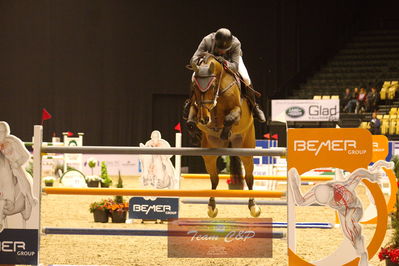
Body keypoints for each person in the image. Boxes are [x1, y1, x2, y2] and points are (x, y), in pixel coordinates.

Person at [288, 160, 393, 266]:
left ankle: (363, 254)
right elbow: (301, 202)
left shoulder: (345, 185)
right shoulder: (317, 193)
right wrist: (294, 183)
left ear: (331, 190)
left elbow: (359, 173)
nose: (331, 200)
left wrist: (371, 176)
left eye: (331, 197)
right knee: (351, 236)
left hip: (355, 208)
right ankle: (362, 254)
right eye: (328, 201)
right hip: (343, 212)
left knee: (349, 220)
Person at [183, 28, 266, 123]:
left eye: (225, 50)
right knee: (194, 76)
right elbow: (194, 58)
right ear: (215, 42)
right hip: (209, 64)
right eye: (219, 49)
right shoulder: (207, 40)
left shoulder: (235, 44)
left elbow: (234, 66)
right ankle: (189, 102)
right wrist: (199, 62)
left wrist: (225, 62)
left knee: (246, 78)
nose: (222, 52)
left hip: (230, 61)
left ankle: (254, 106)